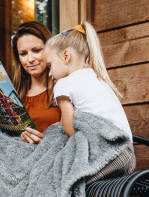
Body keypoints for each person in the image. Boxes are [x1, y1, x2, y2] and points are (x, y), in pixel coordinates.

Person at [44, 22, 135, 183]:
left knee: (62, 185)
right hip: (126, 153)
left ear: (66, 56)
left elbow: (71, 129)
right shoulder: (97, 78)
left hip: (109, 153)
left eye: (50, 65)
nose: (50, 74)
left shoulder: (64, 84)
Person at [12, 21, 61, 144]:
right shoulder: (14, 96)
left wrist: (46, 141)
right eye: (23, 53)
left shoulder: (63, 88)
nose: (30, 59)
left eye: (36, 50)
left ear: (49, 50)